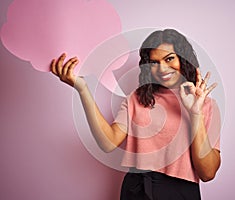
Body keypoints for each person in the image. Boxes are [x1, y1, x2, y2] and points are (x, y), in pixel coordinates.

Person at [50, 29, 221, 200]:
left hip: (180, 192)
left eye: (169, 59)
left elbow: (207, 173)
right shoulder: (137, 98)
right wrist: (82, 89)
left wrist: (195, 113)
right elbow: (108, 143)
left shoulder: (205, 105)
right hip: (137, 189)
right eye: (154, 62)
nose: (162, 68)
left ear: (183, 59)